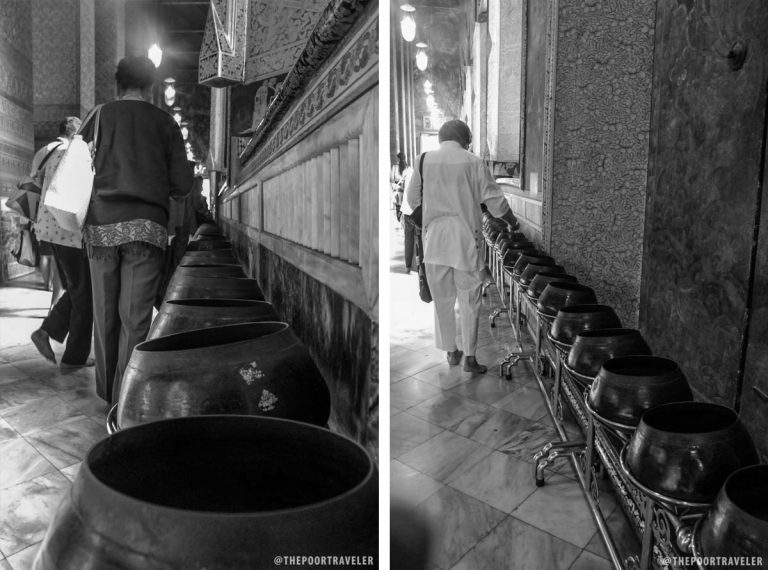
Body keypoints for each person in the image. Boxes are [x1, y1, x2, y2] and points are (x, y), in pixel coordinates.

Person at [79, 56, 194, 405]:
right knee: (135, 319)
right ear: (150, 86)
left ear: (118, 84)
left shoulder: (99, 116)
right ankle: (125, 399)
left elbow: (78, 165)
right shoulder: (165, 123)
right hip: (147, 230)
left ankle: (106, 392)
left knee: (104, 314)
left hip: (101, 229)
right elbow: (182, 185)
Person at [406, 120, 519, 374]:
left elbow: (412, 199)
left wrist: (434, 210)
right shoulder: (473, 162)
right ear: (465, 139)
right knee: (469, 299)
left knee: (442, 300)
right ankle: (470, 358)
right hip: (465, 238)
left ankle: (451, 352)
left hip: (435, 239)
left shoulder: (423, 160)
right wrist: (512, 222)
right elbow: (495, 201)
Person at [30, 117, 95, 368]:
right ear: (77, 133)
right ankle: (72, 355)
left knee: (79, 290)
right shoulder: (73, 152)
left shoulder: (46, 152)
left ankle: (48, 333)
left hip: (48, 227)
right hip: (68, 230)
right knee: (84, 293)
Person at [391, 152, 409, 222]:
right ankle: (401, 220)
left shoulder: (394, 167)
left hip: (397, 190)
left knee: (398, 206)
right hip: (404, 190)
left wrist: (394, 187)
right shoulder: (407, 168)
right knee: (403, 207)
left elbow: (391, 179)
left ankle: (399, 220)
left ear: (398, 159)